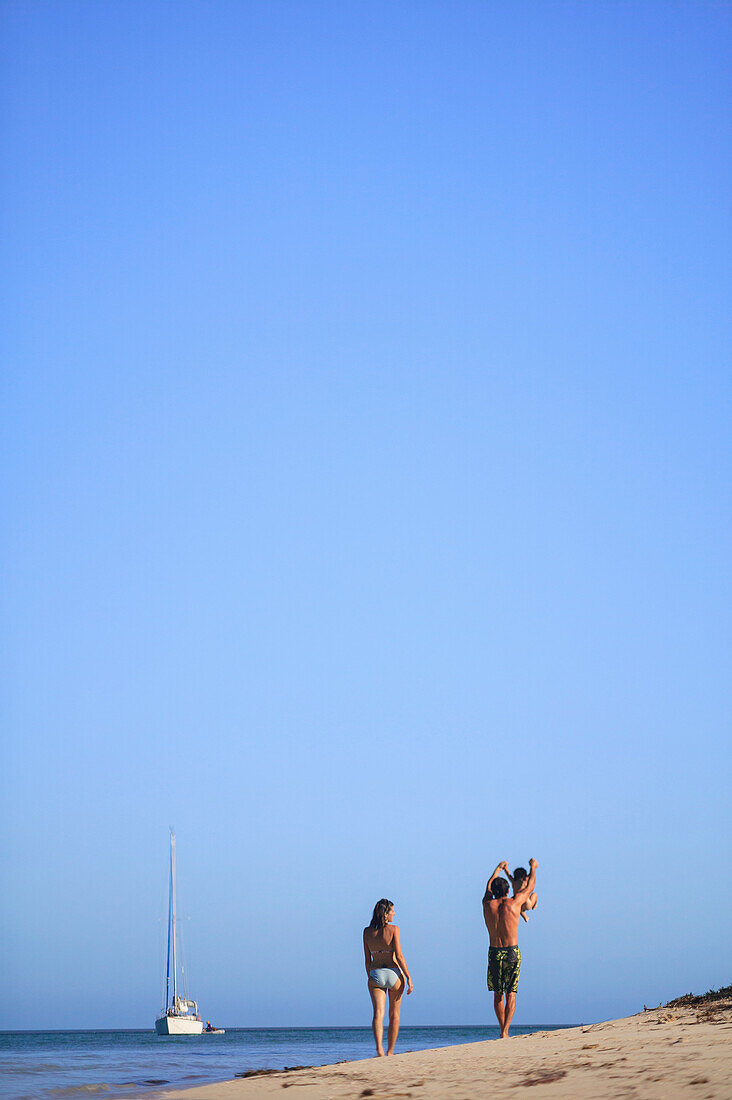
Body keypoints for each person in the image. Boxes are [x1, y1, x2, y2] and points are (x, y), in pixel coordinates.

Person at [482, 858, 538, 1038]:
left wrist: (497, 869)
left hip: (494, 952)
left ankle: (502, 1031)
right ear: (508, 890)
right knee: (511, 994)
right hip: (512, 951)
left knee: (498, 994)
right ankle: (506, 1030)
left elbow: (488, 886)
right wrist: (533, 868)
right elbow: (529, 888)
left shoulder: (487, 905)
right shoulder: (514, 903)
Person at [363, 898, 413, 1056]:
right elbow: (399, 956)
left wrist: (370, 976)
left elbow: (367, 960)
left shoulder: (367, 932)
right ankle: (390, 1051)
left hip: (375, 972)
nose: (394, 913)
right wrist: (409, 977)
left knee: (378, 1014)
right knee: (394, 1015)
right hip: (393, 974)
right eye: (392, 911)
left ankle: (379, 1049)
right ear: (385, 914)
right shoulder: (394, 930)